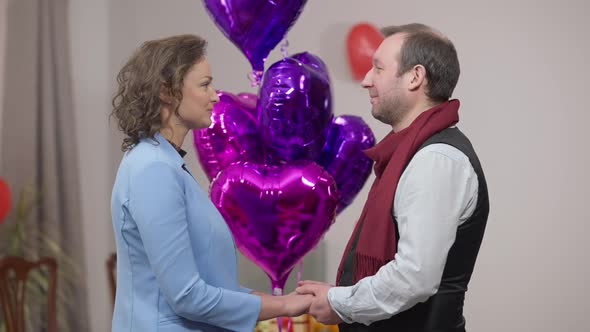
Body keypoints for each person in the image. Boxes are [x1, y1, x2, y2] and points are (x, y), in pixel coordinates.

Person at [110, 34, 312, 332]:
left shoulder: (166, 164)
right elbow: (187, 297)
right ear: (167, 92)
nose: (215, 95)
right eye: (204, 85)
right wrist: (283, 306)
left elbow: (214, 286)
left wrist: (288, 301)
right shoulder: (154, 169)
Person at [296, 23, 489, 332]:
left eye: (378, 68)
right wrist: (339, 297)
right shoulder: (412, 154)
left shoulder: (435, 160)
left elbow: (414, 277)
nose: (366, 80)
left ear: (415, 77)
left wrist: (339, 302)